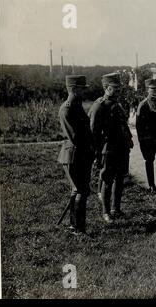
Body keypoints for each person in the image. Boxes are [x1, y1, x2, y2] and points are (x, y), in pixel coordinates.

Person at [89, 73, 134, 223]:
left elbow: (123, 124)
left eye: (119, 88)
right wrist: (96, 152)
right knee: (107, 180)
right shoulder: (99, 105)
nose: (118, 91)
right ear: (107, 88)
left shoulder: (117, 104)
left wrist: (129, 139)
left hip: (121, 148)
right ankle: (106, 212)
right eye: (115, 89)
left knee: (120, 179)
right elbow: (94, 131)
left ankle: (116, 209)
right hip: (108, 149)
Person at [57, 75, 94, 235]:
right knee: (80, 190)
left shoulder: (76, 105)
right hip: (73, 155)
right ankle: (78, 229)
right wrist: (90, 148)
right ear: (73, 89)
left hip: (80, 154)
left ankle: (75, 225)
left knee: (80, 190)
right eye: (81, 88)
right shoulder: (67, 108)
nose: (84, 91)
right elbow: (75, 137)